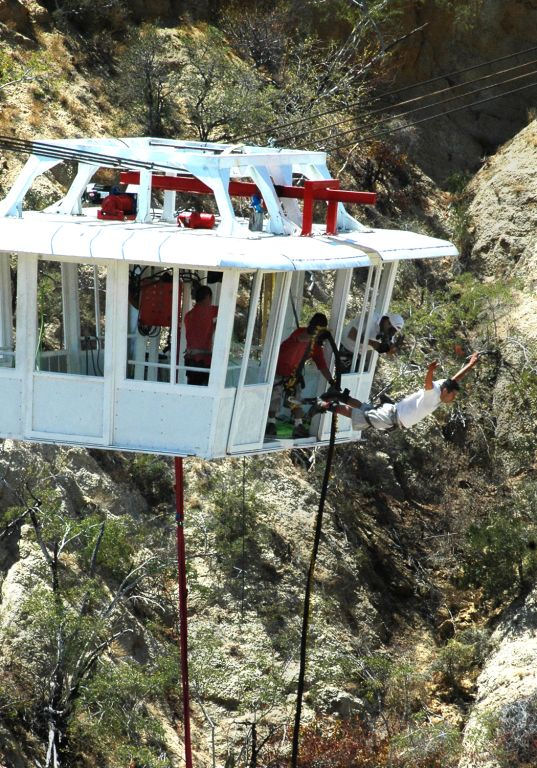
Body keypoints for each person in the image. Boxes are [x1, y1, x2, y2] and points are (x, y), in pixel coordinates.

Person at [320, 352, 480, 433]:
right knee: (359, 415)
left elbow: (455, 379)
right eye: (453, 395)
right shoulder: (433, 395)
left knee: (364, 409)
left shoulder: (443, 386)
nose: (452, 399)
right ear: (446, 391)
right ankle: (327, 405)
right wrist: (430, 370)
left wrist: (471, 364)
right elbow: (427, 384)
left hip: (391, 413)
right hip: (390, 417)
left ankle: (338, 396)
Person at [266, 313, 336, 439]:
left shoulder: (315, 347)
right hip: (278, 369)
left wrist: (331, 381)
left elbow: (322, 366)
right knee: (274, 398)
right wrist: (313, 333)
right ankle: (271, 424)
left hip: (293, 376)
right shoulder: (301, 332)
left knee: (295, 400)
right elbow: (301, 338)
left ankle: (298, 426)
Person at [184, 285, 218, 385]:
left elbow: (200, 330)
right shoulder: (209, 311)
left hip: (190, 359)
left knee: (192, 389)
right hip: (203, 361)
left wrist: (213, 326)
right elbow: (226, 310)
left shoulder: (188, 315)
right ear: (208, 297)